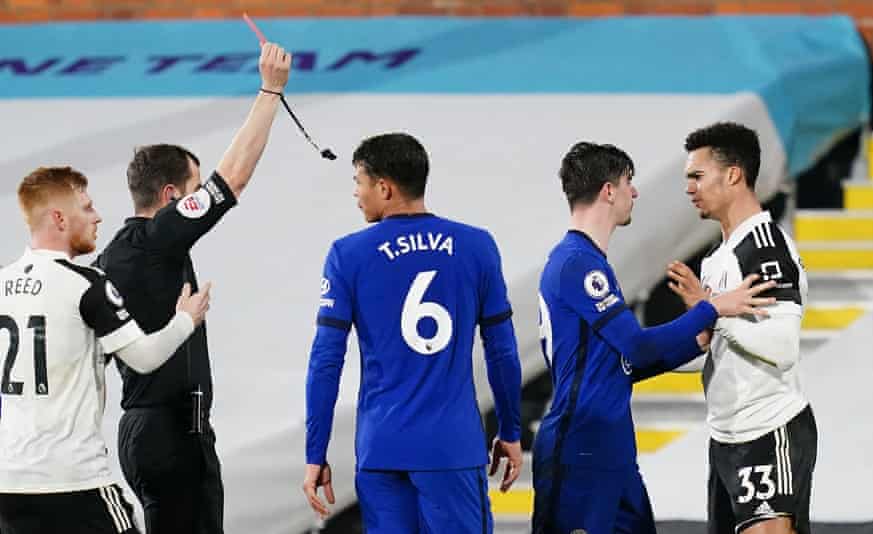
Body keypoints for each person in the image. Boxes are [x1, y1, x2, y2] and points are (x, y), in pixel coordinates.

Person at [94, 42, 292, 534]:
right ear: (171, 197)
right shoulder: (157, 238)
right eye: (194, 189)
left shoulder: (110, 259)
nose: (201, 198)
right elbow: (233, 181)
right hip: (172, 435)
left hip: (142, 432)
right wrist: (270, 92)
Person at [531, 142, 777, 534]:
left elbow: (619, 365)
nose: (635, 191)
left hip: (610, 447)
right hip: (581, 447)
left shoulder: (586, 261)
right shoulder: (578, 264)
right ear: (608, 191)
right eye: (628, 182)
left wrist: (695, 341)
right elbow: (638, 347)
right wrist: (712, 308)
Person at [302, 133, 523, 534]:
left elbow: (325, 360)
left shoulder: (347, 255)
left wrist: (315, 452)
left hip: (381, 449)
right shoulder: (477, 246)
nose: (355, 193)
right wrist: (510, 430)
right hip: (451, 448)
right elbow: (502, 351)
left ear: (384, 188)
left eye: (358, 182)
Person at [0, 166, 210, 534]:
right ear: (59, 218)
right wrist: (185, 321)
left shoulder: (3, 283)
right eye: (87, 207)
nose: (97, 216)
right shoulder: (86, 285)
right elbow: (144, 358)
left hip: (9, 483)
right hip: (73, 481)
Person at [667, 122, 816, 534]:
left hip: (768, 430)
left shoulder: (764, 249)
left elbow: (783, 347)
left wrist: (713, 310)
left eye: (697, 176)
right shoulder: (717, 257)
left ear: (733, 174)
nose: (689, 188)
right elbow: (714, 348)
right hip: (726, 438)